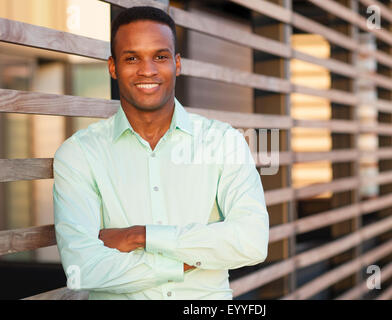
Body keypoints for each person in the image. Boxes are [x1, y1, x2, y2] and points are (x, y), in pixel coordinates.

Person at [53, 6, 269, 300]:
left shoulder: (223, 142)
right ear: (113, 67)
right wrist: (188, 259)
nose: (147, 70)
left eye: (160, 56)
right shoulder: (79, 154)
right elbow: (83, 269)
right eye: (132, 58)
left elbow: (252, 241)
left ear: (177, 64)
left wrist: (141, 235)